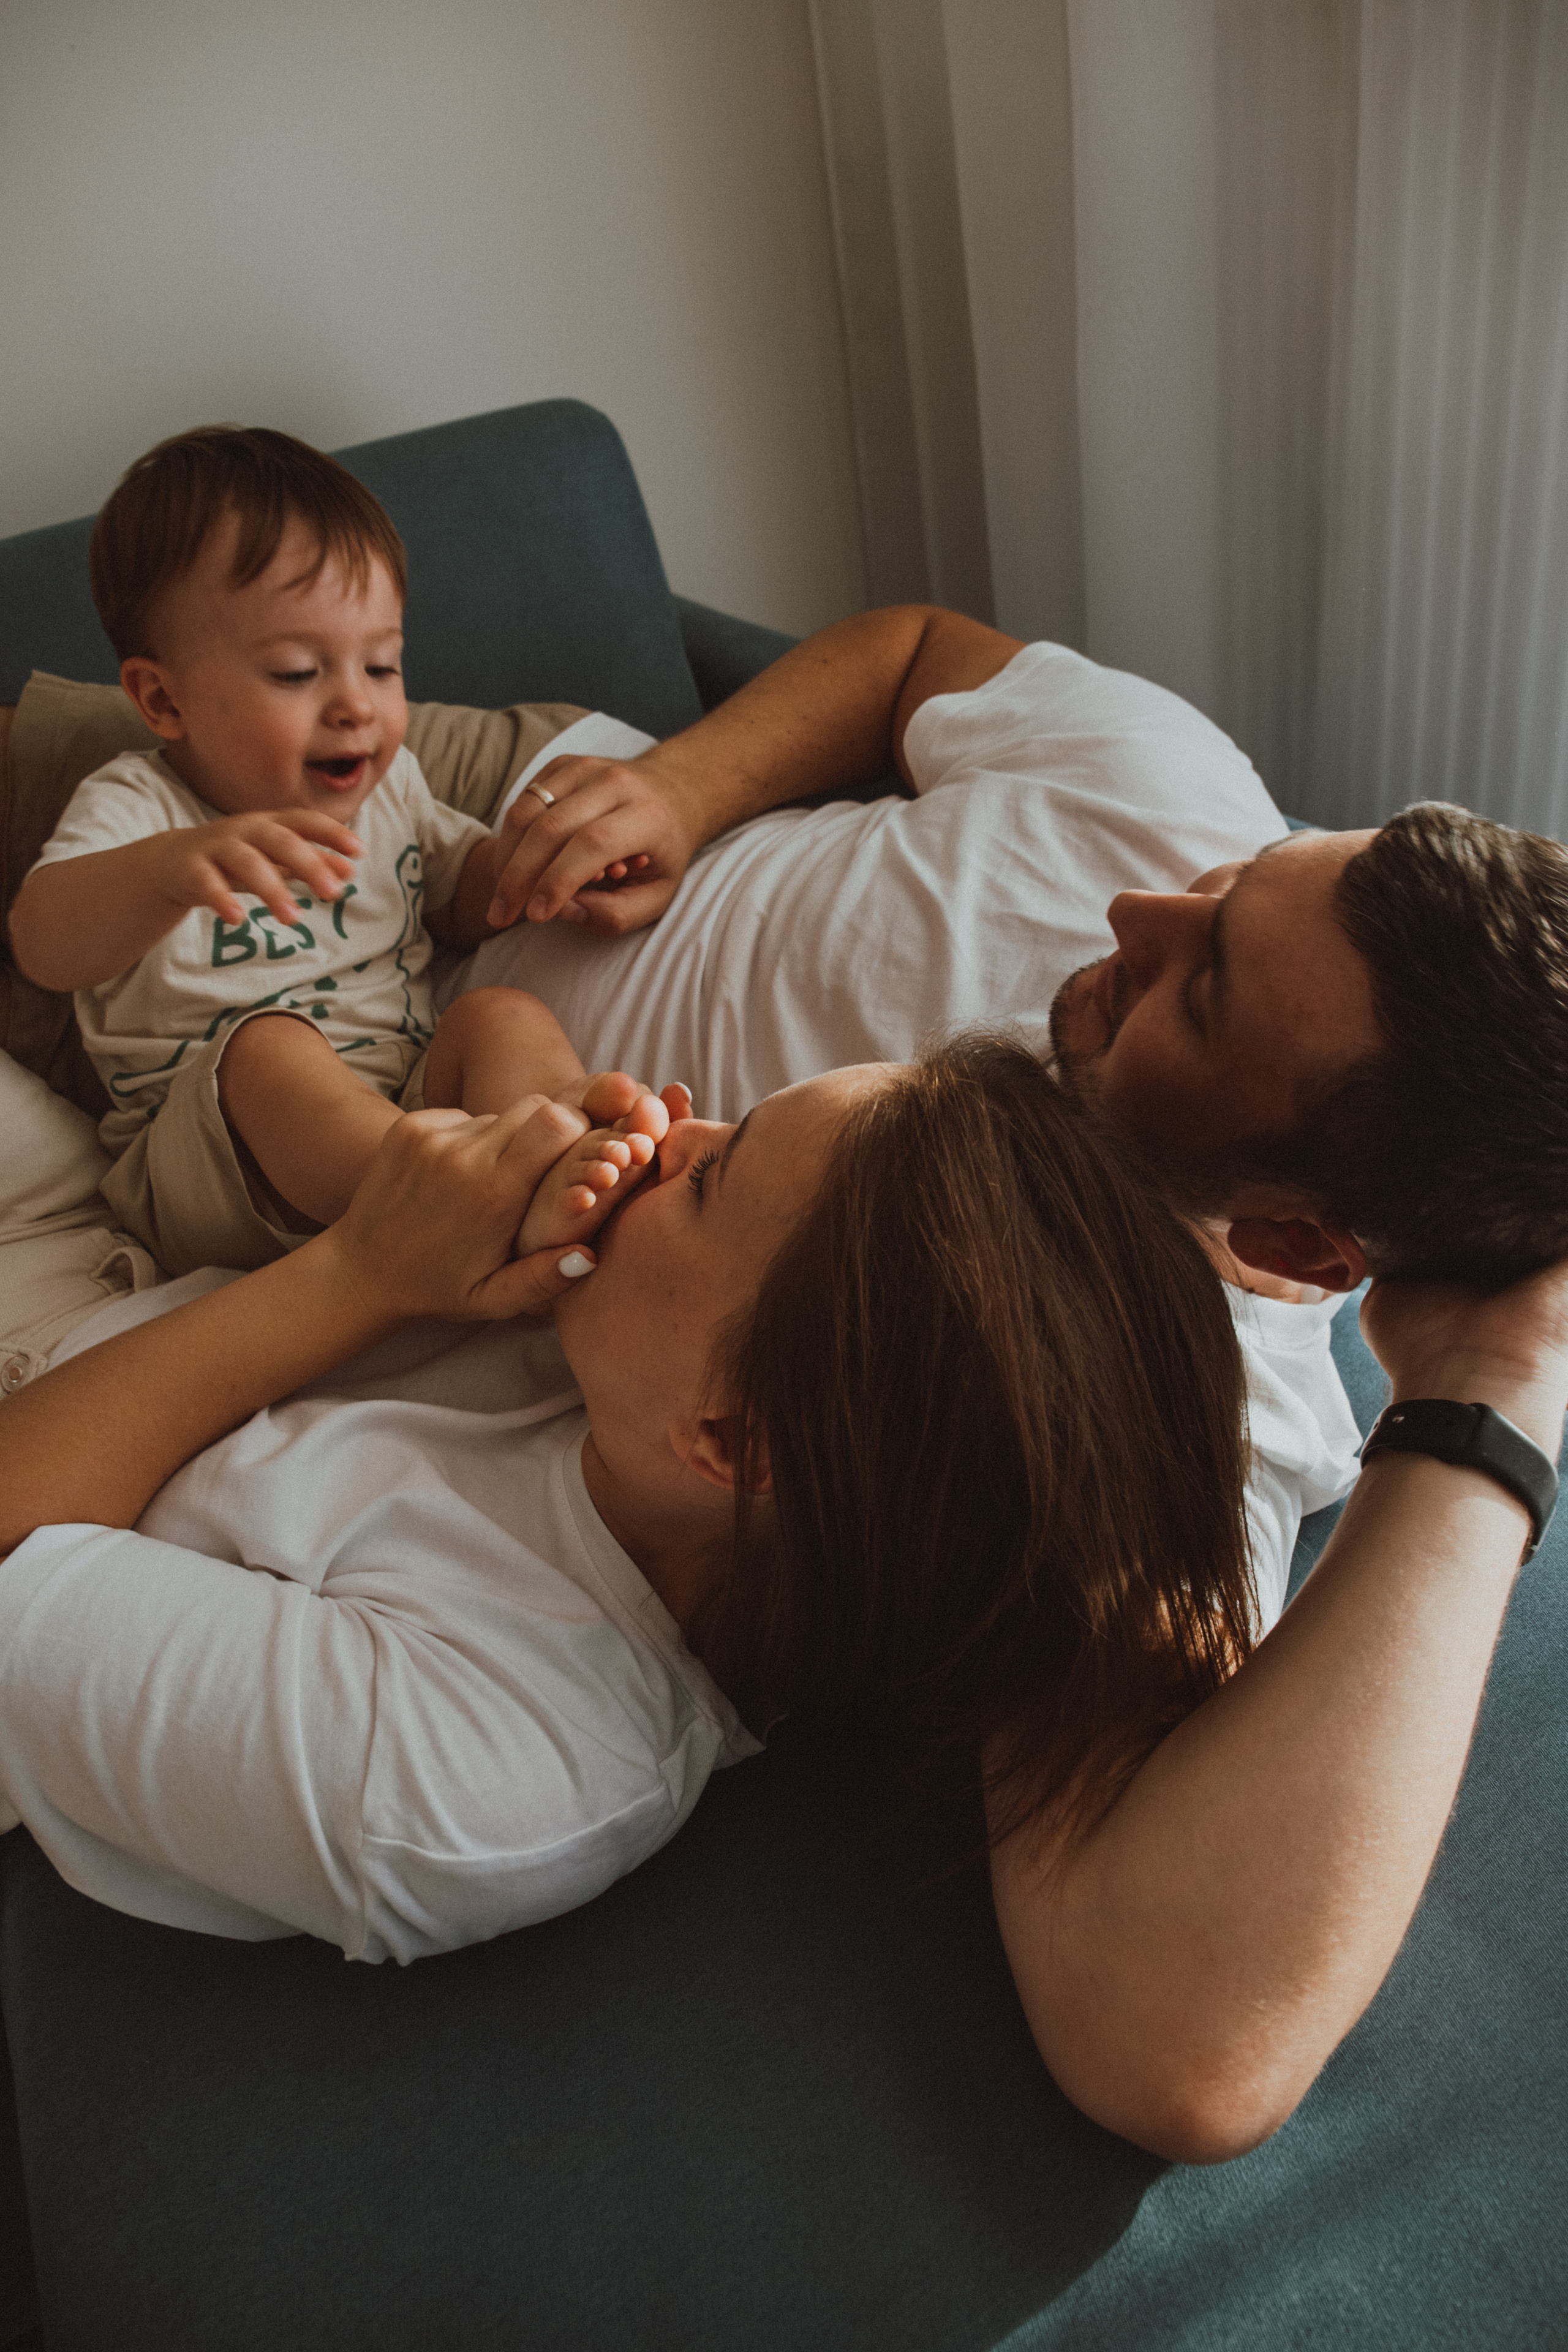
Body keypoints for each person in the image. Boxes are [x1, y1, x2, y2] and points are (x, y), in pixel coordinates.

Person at [1, 1033, 1562, 2167]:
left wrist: (356, 1273)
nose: (675, 1126)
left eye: (713, 1170)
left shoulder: (470, 1766)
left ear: (735, 1440)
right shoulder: (648, 1369)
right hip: (114, 1265)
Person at [455, 603, 1568, 1291]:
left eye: (1199, 996)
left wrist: (1494, 1402)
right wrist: (682, 790)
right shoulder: (1166, 780)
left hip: (428, 1126)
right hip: (503, 812)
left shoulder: (1179, 1378)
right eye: (1239, 880)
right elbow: (911, 656)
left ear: (1291, 1245)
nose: (1133, 913)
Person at [6, 426, 658, 1276]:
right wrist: (168, 871)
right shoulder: (138, 805)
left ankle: (546, 1162)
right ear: (163, 699)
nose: (357, 706)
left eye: (381, 666)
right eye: (294, 673)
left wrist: (535, 865)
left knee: (500, 1016)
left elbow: (460, 893)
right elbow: (42, 942)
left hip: (404, 1104)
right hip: (215, 1164)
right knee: (270, 1049)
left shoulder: (391, 790)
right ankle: (462, 1204)